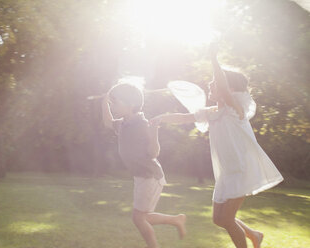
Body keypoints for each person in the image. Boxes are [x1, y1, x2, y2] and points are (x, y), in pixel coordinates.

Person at [150, 45, 283, 248]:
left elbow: (221, 85)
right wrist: (161, 118)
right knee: (219, 220)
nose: (211, 84)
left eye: (215, 82)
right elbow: (184, 117)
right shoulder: (212, 112)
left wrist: (214, 59)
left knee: (228, 220)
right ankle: (254, 235)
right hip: (226, 173)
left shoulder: (235, 109)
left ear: (228, 88)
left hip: (241, 170)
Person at [102, 78, 186, 248]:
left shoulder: (142, 124)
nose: (113, 106)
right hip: (141, 176)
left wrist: (154, 132)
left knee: (139, 218)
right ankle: (176, 220)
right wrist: (104, 101)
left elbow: (153, 153)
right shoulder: (123, 123)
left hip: (150, 176)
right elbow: (107, 123)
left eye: (115, 102)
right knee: (143, 216)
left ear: (130, 104)